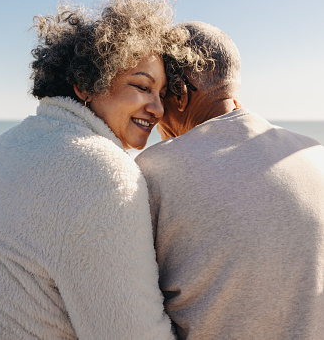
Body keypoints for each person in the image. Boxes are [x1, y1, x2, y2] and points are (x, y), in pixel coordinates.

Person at [0, 0, 194, 339]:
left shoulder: (9, 144)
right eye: (142, 86)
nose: (158, 108)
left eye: (162, 93)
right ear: (86, 84)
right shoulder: (103, 171)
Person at [136, 21, 324, 340]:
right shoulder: (315, 154)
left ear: (180, 93)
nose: (154, 114)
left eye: (159, 92)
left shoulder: (154, 170)